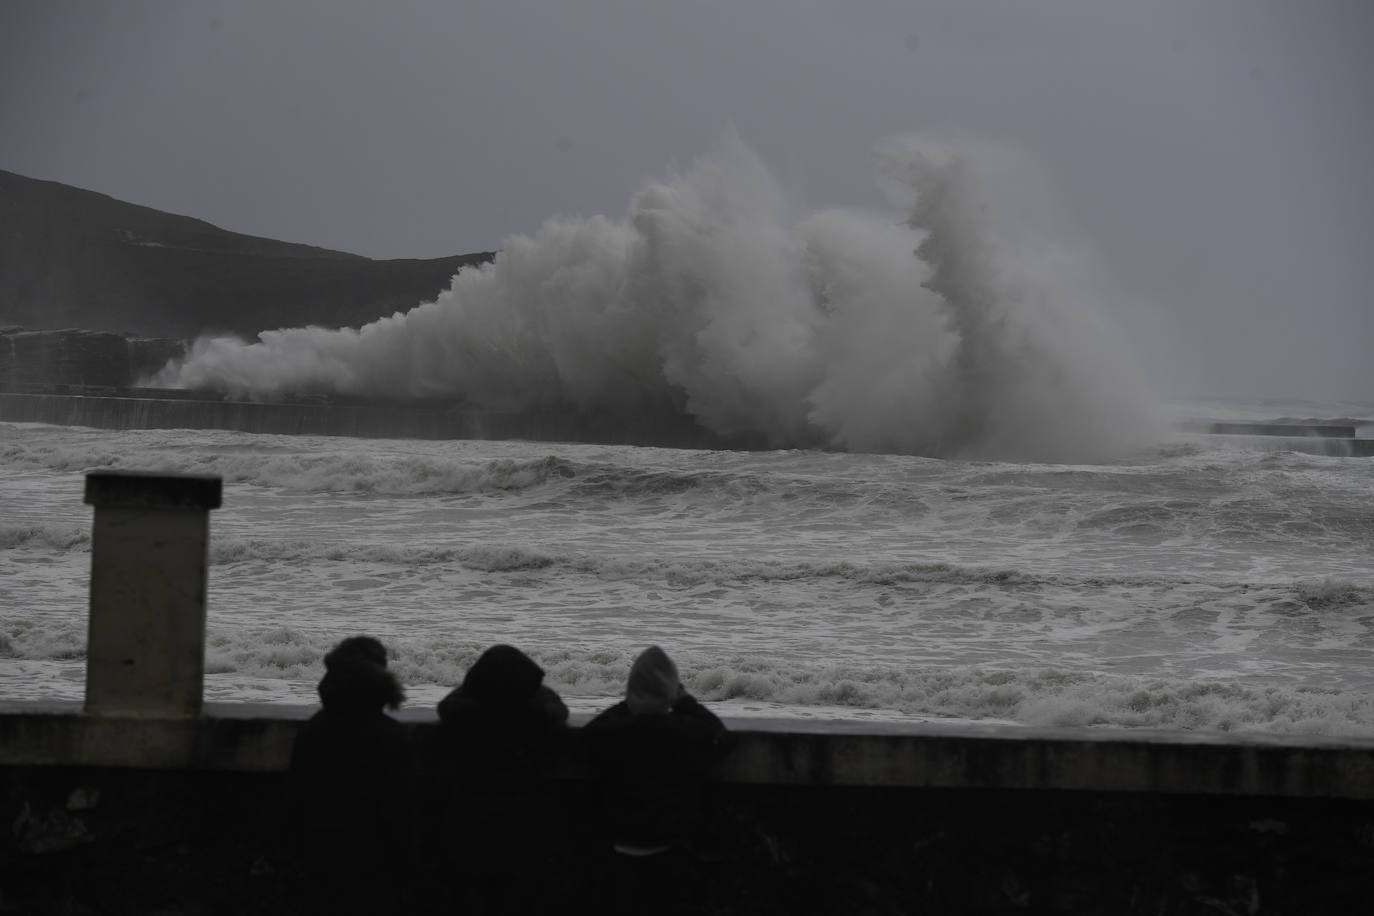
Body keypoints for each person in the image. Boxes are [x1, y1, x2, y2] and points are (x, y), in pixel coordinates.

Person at [583, 644, 731, 911]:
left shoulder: (614, 735)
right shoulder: (685, 734)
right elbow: (719, 735)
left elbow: (590, 734)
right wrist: (687, 703)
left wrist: (628, 703)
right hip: (672, 851)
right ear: (670, 692)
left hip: (619, 848)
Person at [432, 644, 569, 913]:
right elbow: (557, 709)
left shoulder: (464, 713)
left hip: (470, 815)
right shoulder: (537, 714)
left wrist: (475, 686)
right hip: (526, 816)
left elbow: (447, 704)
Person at [289, 636, 417, 916]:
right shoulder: (390, 737)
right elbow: (401, 814)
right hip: (375, 865)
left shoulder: (313, 731)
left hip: (319, 860)